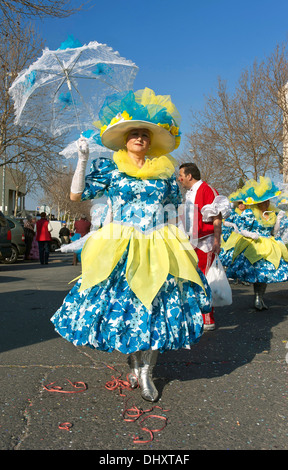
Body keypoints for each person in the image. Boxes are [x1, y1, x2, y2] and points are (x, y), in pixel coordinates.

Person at [51, 87, 212, 402]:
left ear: (151, 141)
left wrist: (183, 243)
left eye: (145, 134)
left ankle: (145, 372)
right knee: (127, 307)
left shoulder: (165, 175)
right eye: (134, 133)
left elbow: (172, 212)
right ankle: (136, 361)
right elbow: (75, 196)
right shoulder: (111, 169)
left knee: (155, 308)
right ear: (124, 139)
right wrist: (82, 160)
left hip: (157, 243)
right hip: (120, 244)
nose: (140, 137)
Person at [221, 177, 288, 310]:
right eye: (264, 201)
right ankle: (257, 298)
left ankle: (260, 298)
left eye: (268, 201)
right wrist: (251, 234)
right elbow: (241, 229)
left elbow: (275, 231)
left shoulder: (272, 213)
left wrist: (279, 220)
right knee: (257, 273)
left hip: (269, 245)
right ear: (258, 203)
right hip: (254, 245)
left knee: (265, 275)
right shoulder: (249, 213)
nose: (267, 203)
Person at [178, 162, 230, 331]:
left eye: (181, 175)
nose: (179, 179)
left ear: (189, 176)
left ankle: (208, 317)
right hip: (191, 243)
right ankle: (196, 315)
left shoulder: (207, 190)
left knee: (206, 279)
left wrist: (217, 240)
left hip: (205, 243)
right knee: (193, 280)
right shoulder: (189, 193)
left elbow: (216, 217)